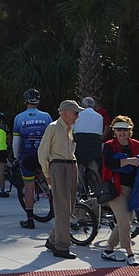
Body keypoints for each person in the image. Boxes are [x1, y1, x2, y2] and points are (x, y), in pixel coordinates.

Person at [38, 99, 83, 260]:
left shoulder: (70, 129)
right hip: (59, 167)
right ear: (64, 112)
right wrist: (47, 174)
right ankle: (62, 246)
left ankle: (52, 240)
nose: (77, 116)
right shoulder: (53, 128)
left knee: (69, 207)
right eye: (75, 113)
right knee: (63, 208)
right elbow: (42, 152)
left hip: (71, 166)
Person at [101, 116, 139, 266]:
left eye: (125, 129)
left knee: (124, 222)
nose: (122, 133)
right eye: (118, 129)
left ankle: (108, 250)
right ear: (114, 131)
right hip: (116, 190)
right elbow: (109, 163)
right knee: (125, 223)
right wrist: (129, 161)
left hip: (132, 189)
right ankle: (130, 254)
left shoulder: (136, 144)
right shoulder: (109, 146)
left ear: (130, 131)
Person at [13, 88, 53, 229]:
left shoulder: (19, 118)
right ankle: (59, 212)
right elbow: (51, 137)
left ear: (26, 101)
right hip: (43, 155)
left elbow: (16, 142)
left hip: (28, 156)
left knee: (29, 189)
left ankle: (30, 220)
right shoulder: (47, 116)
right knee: (51, 184)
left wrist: (16, 156)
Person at [74, 96, 104, 181]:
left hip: (81, 143)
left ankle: (79, 188)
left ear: (83, 105)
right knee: (94, 166)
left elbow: (72, 128)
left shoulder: (78, 114)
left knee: (79, 166)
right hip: (95, 144)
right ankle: (99, 187)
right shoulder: (99, 116)